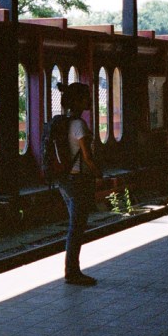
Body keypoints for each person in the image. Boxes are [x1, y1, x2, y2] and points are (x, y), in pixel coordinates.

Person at [53, 82, 102, 286]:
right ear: (77, 101)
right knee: (77, 227)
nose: (89, 100)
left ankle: (72, 270)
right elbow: (87, 156)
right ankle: (72, 272)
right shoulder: (79, 125)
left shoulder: (64, 123)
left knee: (75, 225)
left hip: (64, 181)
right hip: (77, 181)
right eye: (85, 97)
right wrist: (99, 174)